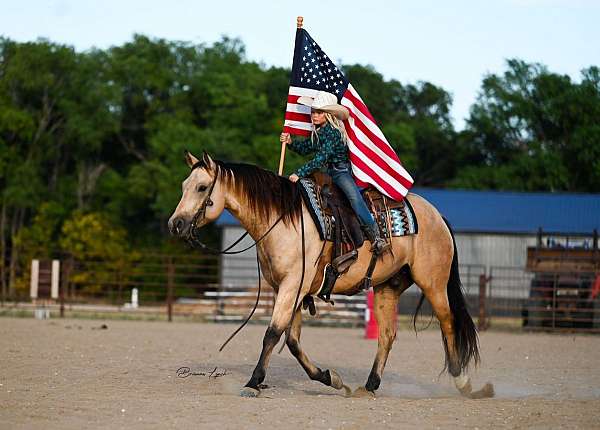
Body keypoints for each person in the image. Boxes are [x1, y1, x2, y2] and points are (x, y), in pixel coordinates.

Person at [279, 90, 389, 255]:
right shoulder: (320, 131)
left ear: (328, 114)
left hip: (340, 173)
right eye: (313, 112)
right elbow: (306, 148)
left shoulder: (333, 132)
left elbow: (321, 159)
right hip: (327, 174)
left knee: (354, 199)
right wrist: (291, 142)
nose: (314, 116)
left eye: (318, 112)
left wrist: (299, 173)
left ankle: (377, 236)